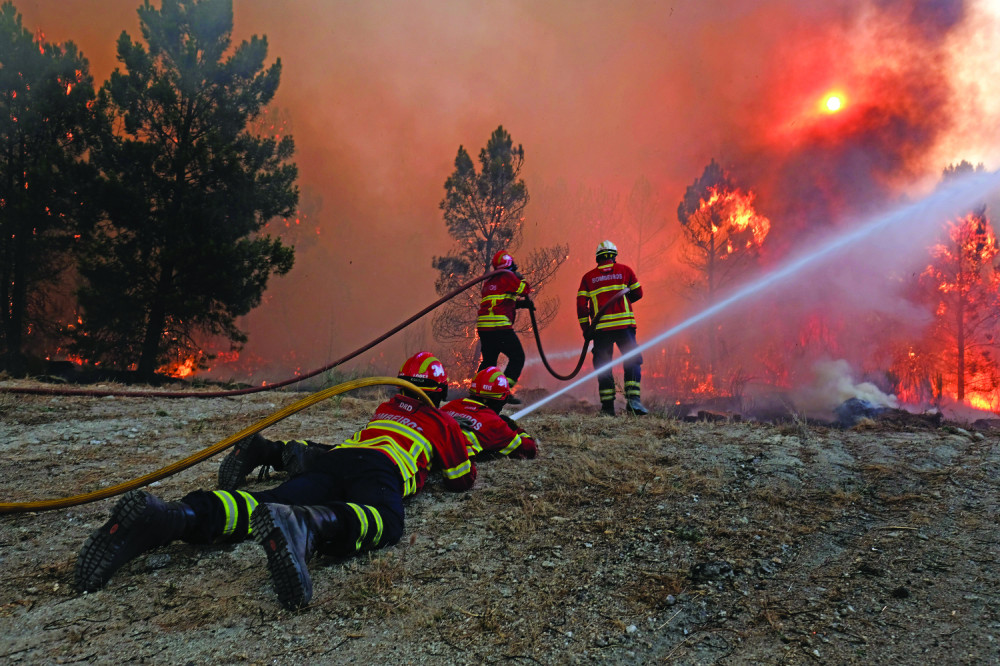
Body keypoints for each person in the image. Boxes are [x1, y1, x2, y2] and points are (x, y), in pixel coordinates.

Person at [74, 352, 476, 610]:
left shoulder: (385, 407)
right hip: (381, 468)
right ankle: (308, 525)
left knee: (266, 503)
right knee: (385, 518)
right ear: (439, 392)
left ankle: (174, 516)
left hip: (336, 460)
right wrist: (457, 443)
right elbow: (461, 479)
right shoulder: (441, 421)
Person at [576, 240, 648, 416]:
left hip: (601, 330)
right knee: (632, 360)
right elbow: (638, 293)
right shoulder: (625, 271)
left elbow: (581, 305)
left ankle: (608, 408)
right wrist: (624, 300)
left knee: (603, 365)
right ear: (614, 256)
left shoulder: (588, 277)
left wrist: (586, 328)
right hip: (625, 326)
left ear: (597, 258)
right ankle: (633, 401)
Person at [441, 366, 537, 460]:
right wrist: (515, 428)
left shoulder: (452, 405)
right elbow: (529, 449)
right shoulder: (495, 424)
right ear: (499, 400)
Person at [476, 249, 533, 404]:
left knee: (489, 361)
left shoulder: (489, 282)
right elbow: (524, 289)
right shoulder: (508, 277)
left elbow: (500, 303)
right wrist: (521, 278)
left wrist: (521, 305)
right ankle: (503, 391)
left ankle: (477, 392)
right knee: (517, 357)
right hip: (499, 327)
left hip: (484, 328)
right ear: (510, 264)